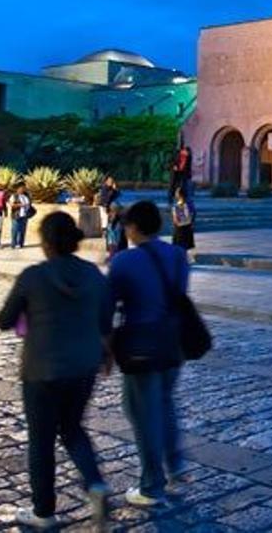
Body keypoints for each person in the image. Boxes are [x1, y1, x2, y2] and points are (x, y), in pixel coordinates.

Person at [0, 211, 112, 529]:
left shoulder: (33, 276)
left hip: (41, 368)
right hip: (83, 366)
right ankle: (95, 484)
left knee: (41, 439)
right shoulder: (93, 275)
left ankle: (43, 512)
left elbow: (4, 320)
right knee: (73, 428)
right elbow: (105, 321)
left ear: (46, 241)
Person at [108, 201, 191, 507]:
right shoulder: (178, 256)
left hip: (141, 344)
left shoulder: (124, 261)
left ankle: (151, 485)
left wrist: (105, 348)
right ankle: (176, 467)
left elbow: (109, 304)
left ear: (132, 227)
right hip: (174, 341)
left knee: (141, 412)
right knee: (165, 403)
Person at [171, 188, 195, 262]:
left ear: (178, 195)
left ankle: (182, 260)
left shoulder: (178, 205)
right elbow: (193, 215)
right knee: (184, 246)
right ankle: (184, 259)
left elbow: (176, 220)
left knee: (180, 245)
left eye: (176, 193)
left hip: (180, 229)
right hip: (187, 227)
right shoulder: (190, 203)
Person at [9, 182, 34, 249]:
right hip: (16, 215)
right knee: (15, 230)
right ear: (17, 189)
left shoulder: (26, 196)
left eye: (24, 188)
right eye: (21, 188)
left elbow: (29, 204)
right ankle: (13, 244)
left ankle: (20, 243)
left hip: (25, 216)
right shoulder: (14, 196)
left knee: (22, 230)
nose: (23, 189)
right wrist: (21, 205)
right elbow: (12, 205)